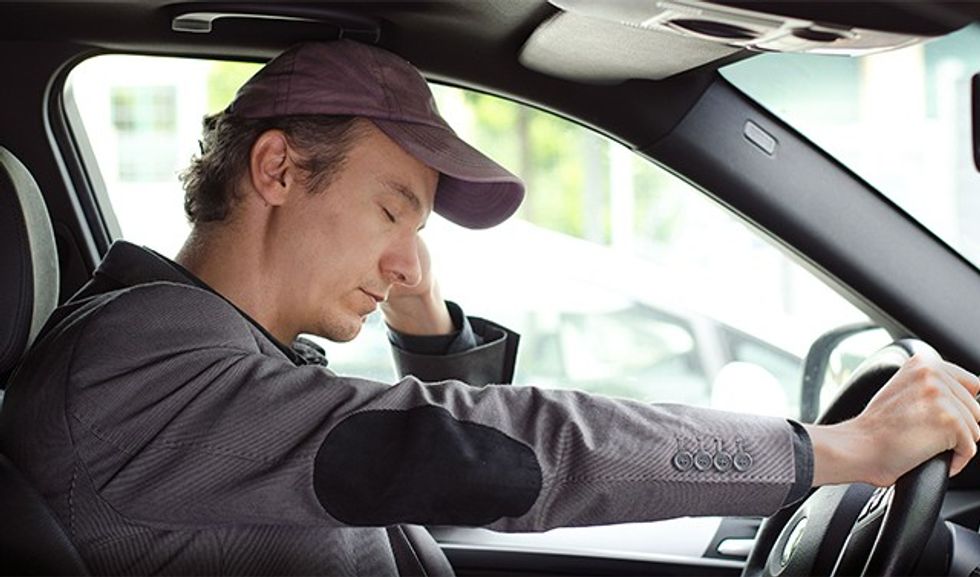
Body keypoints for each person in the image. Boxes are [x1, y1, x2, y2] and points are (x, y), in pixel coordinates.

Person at [1, 39, 979, 576]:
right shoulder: (132, 373)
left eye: (418, 225)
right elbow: (470, 449)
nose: (404, 256)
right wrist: (828, 452)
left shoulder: (215, 355)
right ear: (278, 166)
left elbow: (389, 467)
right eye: (392, 206)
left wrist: (415, 308)